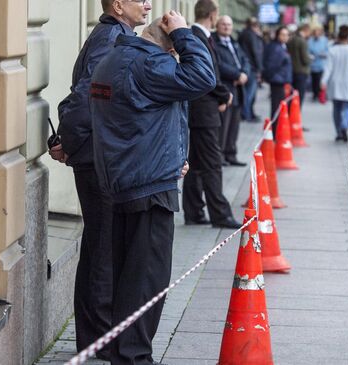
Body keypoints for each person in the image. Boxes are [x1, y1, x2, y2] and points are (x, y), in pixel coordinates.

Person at [90, 12, 215, 364]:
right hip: (148, 186)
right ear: (171, 46)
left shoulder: (115, 57)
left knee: (127, 279)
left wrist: (174, 152)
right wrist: (185, 35)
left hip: (124, 180)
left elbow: (142, 117)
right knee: (146, 282)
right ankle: (133, 357)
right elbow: (203, 77)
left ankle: (122, 353)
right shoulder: (150, 64)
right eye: (177, 49)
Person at [49, 0, 149, 359]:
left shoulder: (117, 33)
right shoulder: (112, 38)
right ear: (119, 5)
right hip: (98, 159)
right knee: (104, 251)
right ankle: (101, 341)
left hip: (98, 156)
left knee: (99, 249)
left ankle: (97, 339)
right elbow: (89, 96)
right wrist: (68, 141)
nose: (149, 5)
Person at [182, 0, 243, 229]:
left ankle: (194, 211)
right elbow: (206, 73)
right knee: (213, 162)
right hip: (203, 109)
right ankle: (220, 214)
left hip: (203, 107)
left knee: (197, 161)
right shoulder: (198, 36)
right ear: (213, 14)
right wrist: (224, 94)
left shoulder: (202, 35)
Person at [213, 15, 249, 166]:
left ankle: (231, 154)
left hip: (238, 88)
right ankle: (220, 156)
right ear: (217, 25)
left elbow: (245, 60)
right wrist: (237, 74)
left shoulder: (234, 42)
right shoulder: (214, 42)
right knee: (223, 126)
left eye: (229, 24)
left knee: (234, 124)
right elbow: (218, 65)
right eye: (223, 24)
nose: (227, 27)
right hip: (225, 89)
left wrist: (245, 73)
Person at [321, 25, 348, 142]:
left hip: (335, 83)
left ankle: (338, 131)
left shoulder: (332, 50)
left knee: (336, 108)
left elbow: (328, 67)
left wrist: (323, 81)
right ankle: (344, 126)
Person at [263, 26, 292, 137]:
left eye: (286, 35)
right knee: (276, 108)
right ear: (277, 35)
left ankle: (276, 130)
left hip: (280, 80)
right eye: (282, 34)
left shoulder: (281, 46)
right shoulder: (276, 48)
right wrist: (270, 77)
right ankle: (274, 132)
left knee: (278, 107)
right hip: (277, 81)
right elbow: (271, 65)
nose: (285, 37)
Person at [238, 17, 264, 122]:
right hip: (252, 67)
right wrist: (259, 69)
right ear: (255, 26)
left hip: (244, 66)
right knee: (249, 94)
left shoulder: (243, 34)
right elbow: (255, 52)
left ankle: (248, 113)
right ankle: (246, 114)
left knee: (247, 93)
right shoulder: (251, 35)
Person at [287, 23, 312, 106]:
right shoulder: (302, 41)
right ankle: (295, 115)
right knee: (299, 96)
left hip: (292, 70)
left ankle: (290, 113)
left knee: (292, 95)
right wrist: (310, 59)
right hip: (302, 71)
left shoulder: (291, 40)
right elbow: (305, 59)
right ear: (306, 30)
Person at [307, 26, 329, 102]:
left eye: (318, 32)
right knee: (314, 80)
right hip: (313, 64)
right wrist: (310, 56)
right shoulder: (310, 41)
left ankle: (320, 95)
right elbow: (307, 51)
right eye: (315, 33)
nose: (316, 34)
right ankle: (315, 94)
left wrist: (324, 54)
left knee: (320, 80)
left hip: (321, 64)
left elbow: (327, 51)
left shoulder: (324, 40)